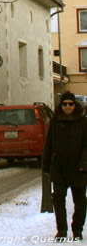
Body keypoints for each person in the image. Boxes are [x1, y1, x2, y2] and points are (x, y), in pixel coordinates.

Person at [43, 91, 87, 241]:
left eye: (70, 104)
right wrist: (46, 167)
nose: (67, 106)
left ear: (75, 105)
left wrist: (83, 164)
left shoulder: (83, 121)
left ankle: (77, 230)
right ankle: (61, 230)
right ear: (60, 106)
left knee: (80, 202)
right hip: (59, 168)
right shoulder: (55, 122)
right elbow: (48, 145)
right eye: (65, 104)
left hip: (78, 169)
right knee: (59, 200)